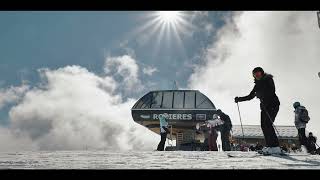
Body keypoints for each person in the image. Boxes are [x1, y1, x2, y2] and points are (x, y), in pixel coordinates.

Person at [235, 67, 282, 155]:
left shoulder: (268, 79)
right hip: (264, 107)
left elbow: (272, 90)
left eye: (258, 73)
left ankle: (275, 146)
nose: (257, 75)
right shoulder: (257, 85)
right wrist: (239, 99)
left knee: (268, 124)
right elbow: (250, 96)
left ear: (262, 73)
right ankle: (269, 145)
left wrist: (261, 94)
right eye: (255, 74)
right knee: (263, 125)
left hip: (273, 104)